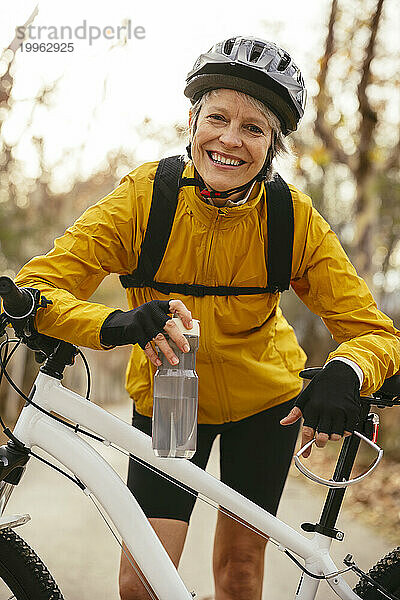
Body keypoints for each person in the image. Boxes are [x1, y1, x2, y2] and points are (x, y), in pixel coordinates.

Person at [14, 36, 400, 600]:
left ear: (270, 146)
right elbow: (39, 286)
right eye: (217, 118)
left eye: (253, 128)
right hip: (173, 399)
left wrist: (347, 369)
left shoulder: (291, 218)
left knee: (240, 574)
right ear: (192, 122)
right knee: (142, 583)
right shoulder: (147, 199)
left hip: (264, 404)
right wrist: (114, 325)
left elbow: (373, 332)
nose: (229, 140)